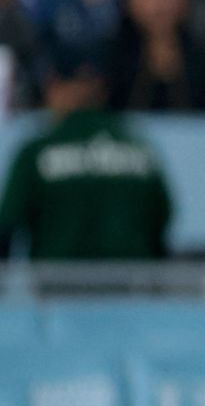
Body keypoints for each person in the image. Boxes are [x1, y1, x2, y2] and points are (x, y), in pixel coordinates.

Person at [0, 47, 172, 260]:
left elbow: (6, 225)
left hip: (58, 285)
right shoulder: (138, 148)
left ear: (54, 86)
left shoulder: (37, 152)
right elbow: (163, 221)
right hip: (130, 286)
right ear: (102, 89)